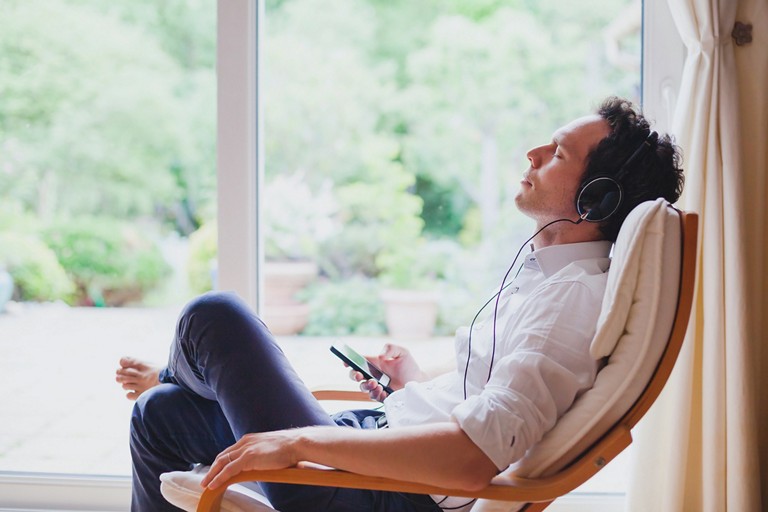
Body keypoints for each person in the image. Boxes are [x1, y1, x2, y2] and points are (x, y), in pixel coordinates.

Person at [116, 96, 684, 512]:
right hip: (375, 444)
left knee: (214, 317)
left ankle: (181, 373)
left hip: (380, 493)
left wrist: (301, 440)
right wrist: (412, 384)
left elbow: (472, 459)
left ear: (596, 198)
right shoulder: (546, 279)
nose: (533, 154)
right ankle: (180, 382)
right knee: (159, 416)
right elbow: (491, 405)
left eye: (557, 152)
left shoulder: (569, 300)